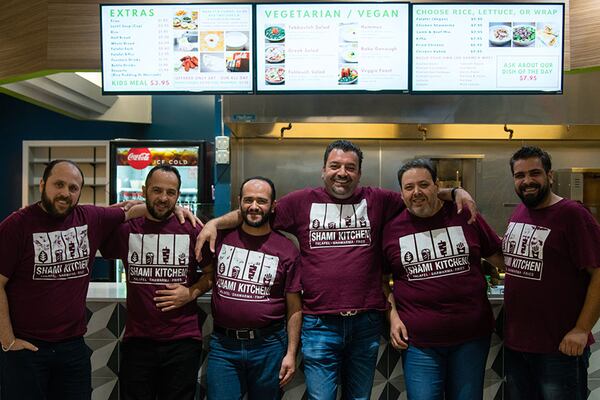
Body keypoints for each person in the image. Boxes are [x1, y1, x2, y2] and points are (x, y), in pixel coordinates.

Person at [196, 140, 477, 400]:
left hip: (365, 323)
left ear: (359, 173)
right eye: (335, 166)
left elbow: (417, 194)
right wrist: (214, 224)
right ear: (323, 171)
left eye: (350, 168)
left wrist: (452, 191)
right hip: (319, 325)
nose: (342, 173)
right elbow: (255, 211)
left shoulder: (377, 200)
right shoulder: (301, 202)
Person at [0, 159, 196, 400]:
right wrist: (8, 341)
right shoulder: (16, 225)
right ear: (42, 184)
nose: (65, 193)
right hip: (27, 348)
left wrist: (176, 208)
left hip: (73, 347)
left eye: (73, 188)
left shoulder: (89, 217)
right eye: (58, 184)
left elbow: (130, 209)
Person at [381, 159, 505, 400]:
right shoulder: (391, 230)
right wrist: (392, 316)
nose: (416, 192)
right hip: (418, 342)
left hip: (471, 337)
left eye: (424, 184)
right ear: (401, 192)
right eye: (409, 187)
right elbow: (382, 280)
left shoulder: (465, 214)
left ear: (437, 186)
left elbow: (500, 260)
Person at [100, 165, 211, 400]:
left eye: (171, 193)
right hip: (138, 341)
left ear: (178, 195)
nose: (163, 198)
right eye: (156, 190)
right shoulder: (126, 230)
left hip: (183, 340)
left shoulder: (192, 229)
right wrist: (134, 210)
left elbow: (212, 274)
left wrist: (191, 292)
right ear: (144, 191)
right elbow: (97, 226)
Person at [502, 146, 600, 400]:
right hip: (518, 346)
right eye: (519, 175)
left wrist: (581, 329)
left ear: (550, 175)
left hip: (559, 348)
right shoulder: (521, 211)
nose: (527, 181)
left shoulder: (572, 214)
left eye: (535, 173)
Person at [205, 177, 302, 400]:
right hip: (223, 346)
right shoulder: (220, 239)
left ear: (273, 205)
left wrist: (291, 353)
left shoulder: (287, 250)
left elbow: (295, 306)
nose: (254, 206)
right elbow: (207, 276)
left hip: (268, 346)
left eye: (262, 201)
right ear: (239, 202)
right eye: (248, 200)